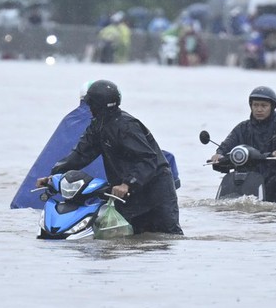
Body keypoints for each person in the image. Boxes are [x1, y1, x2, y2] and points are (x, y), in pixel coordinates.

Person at [42, 79, 182, 235]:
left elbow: (148, 159)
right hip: (127, 192)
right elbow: (80, 154)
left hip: (155, 190)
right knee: (133, 238)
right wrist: (54, 175)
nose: (89, 109)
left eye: (91, 105)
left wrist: (127, 184)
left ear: (99, 106)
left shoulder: (126, 126)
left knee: (168, 235)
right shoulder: (97, 126)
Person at [210, 86, 276, 206]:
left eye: (264, 106)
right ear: (251, 106)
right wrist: (219, 154)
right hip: (249, 175)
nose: (259, 109)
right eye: (255, 105)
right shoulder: (243, 128)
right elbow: (227, 144)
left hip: (275, 173)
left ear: (272, 107)